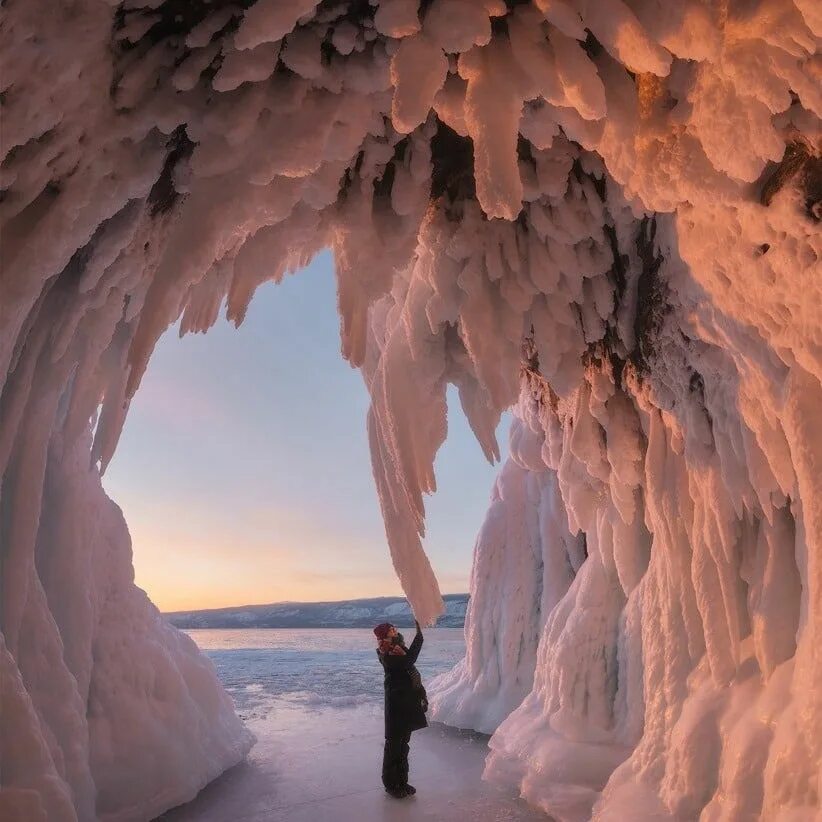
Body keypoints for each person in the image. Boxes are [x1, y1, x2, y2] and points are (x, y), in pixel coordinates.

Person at [373, 619, 428, 799]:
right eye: (391, 629)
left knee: (404, 746)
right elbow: (408, 662)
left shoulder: (399, 648)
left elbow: (412, 673)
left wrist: (422, 696)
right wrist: (419, 636)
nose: (394, 629)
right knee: (393, 747)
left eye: (393, 627)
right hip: (397, 705)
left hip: (408, 703)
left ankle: (402, 781)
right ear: (384, 635)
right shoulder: (386, 653)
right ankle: (391, 784)